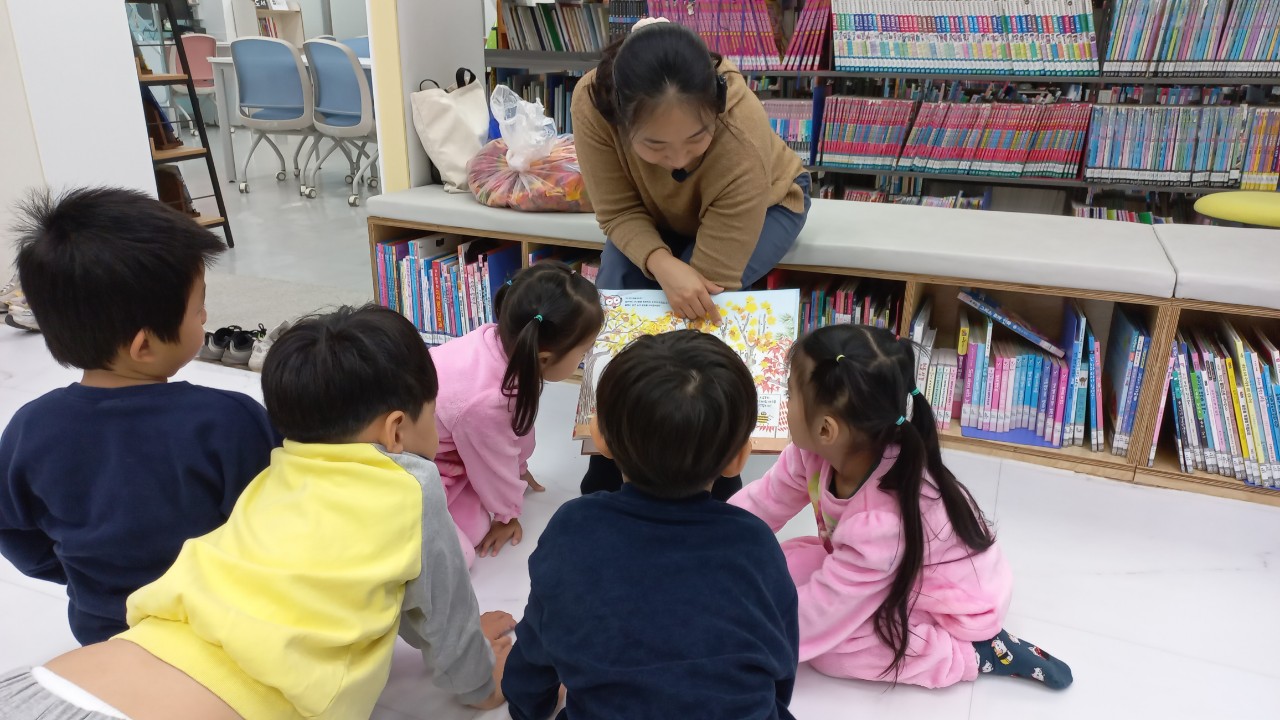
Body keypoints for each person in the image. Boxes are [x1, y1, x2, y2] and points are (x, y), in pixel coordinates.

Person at [0, 306, 515, 719]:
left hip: (72, 676)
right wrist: (480, 681)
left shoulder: (273, 470)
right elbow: (440, 614)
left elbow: (391, 593)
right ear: (397, 429)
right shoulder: (412, 485)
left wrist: (463, 639)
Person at [0, 188, 279, 645]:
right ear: (144, 346)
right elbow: (276, 533)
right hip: (222, 632)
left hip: (102, 632)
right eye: (198, 308)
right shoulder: (230, 422)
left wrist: (76, 575)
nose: (206, 317)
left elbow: (13, 530)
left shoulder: (29, 427)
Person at [729, 324, 1073, 690]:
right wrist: (707, 539)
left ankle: (977, 654)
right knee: (782, 563)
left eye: (789, 394)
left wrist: (744, 638)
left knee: (833, 650)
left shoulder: (880, 520)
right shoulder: (810, 453)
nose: (784, 403)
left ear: (827, 429)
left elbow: (820, 615)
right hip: (893, 569)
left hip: (954, 603)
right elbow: (760, 505)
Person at [502, 331, 800, 720]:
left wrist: (527, 706)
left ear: (600, 439)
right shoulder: (756, 542)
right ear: (740, 457)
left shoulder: (572, 528)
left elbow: (535, 654)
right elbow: (780, 668)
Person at [571, 18, 811, 499]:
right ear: (621, 119)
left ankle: (714, 455)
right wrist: (661, 261)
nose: (679, 160)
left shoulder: (740, 134)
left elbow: (710, 278)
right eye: (655, 146)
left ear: (716, 113)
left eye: (696, 140)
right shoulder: (593, 102)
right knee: (618, 295)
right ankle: (610, 444)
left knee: (700, 313)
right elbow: (617, 210)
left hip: (768, 206)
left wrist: (677, 267)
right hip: (652, 215)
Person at [430, 261, 602, 566]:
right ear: (546, 357)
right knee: (465, 545)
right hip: (418, 462)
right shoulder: (487, 402)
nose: (586, 357)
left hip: (455, 440)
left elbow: (513, 432)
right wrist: (506, 514)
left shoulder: (503, 342)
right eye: (584, 351)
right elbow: (493, 463)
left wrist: (519, 469)